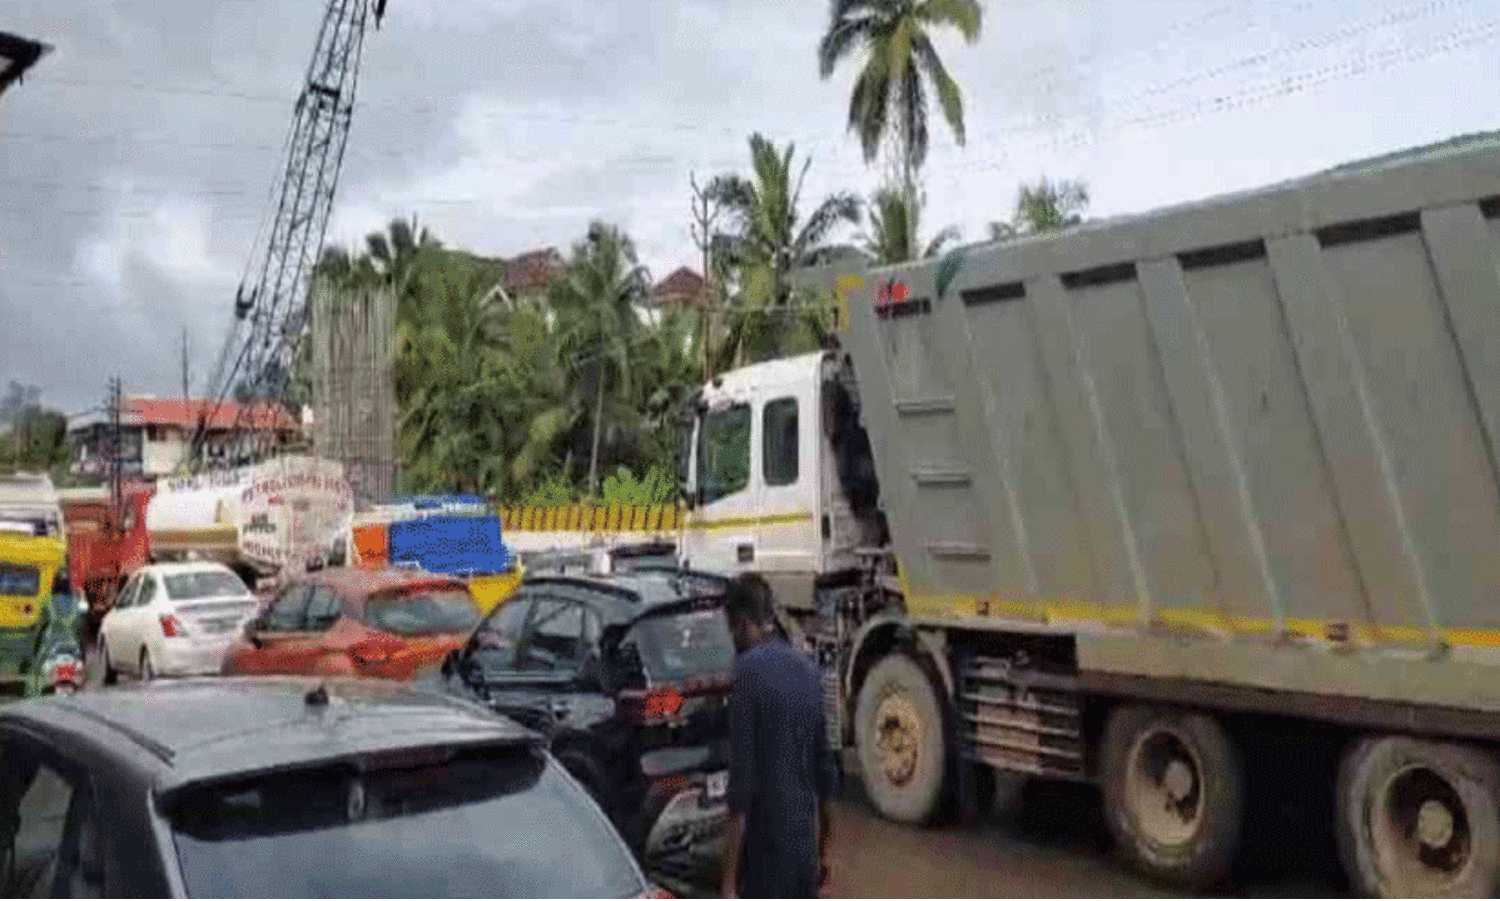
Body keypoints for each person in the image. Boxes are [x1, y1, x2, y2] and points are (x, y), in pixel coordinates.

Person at [720, 573, 837, 899]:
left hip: (766, 852)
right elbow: (825, 771)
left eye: (731, 630)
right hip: (803, 846)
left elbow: (741, 786)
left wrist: (728, 883)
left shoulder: (746, 672)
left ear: (742, 623)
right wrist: (823, 854)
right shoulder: (809, 670)